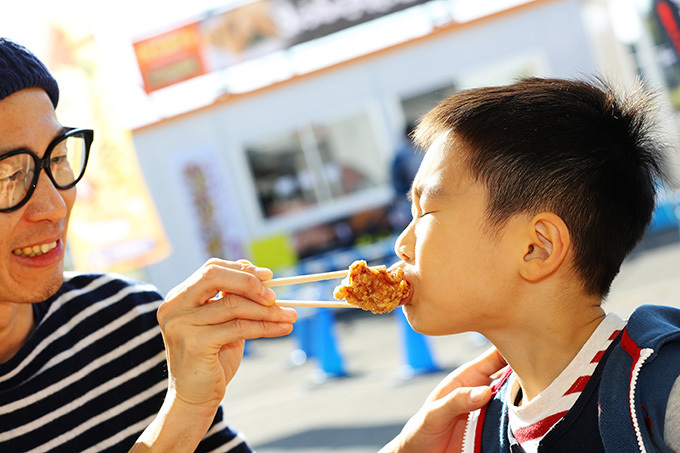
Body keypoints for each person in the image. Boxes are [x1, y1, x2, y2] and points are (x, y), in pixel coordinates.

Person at [0, 37, 297, 452]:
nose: (52, 205)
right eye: (6, 176)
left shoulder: (124, 319)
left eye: (57, 157)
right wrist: (185, 411)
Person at [377, 78, 680, 452]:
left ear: (537, 247)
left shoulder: (661, 390)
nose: (402, 245)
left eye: (426, 213)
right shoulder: (468, 429)